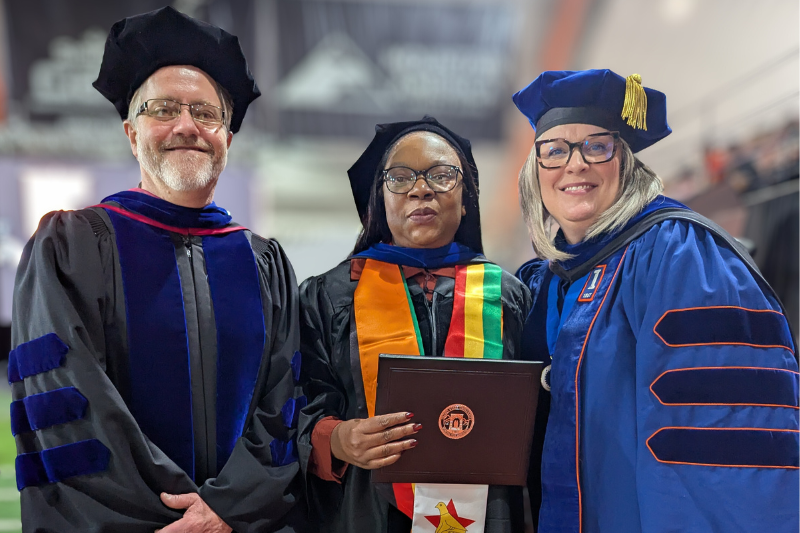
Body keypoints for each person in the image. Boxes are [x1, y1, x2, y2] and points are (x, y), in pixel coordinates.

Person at [9, 7, 304, 532]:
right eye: (163, 109)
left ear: (227, 138)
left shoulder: (264, 263)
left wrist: (228, 509)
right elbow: (68, 407)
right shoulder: (71, 246)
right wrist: (181, 519)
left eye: (206, 113)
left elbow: (285, 404)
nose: (187, 126)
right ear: (131, 132)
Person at [513, 69, 799, 533]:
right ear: (535, 171)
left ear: (625, 161)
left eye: (597, 146)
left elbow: (715, 443)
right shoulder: (545, 281)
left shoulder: (679, 254)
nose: (575, 164)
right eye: (555, 150)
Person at [297, 116, 532, 532]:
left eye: (441, 176)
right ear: (380, 201)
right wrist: (336, 439)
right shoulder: (329, 296)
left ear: (466, 200)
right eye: (400, 178)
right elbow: (294, 402)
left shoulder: (508, 296)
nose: (420, 189)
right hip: (365, 512)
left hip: (487, 514)